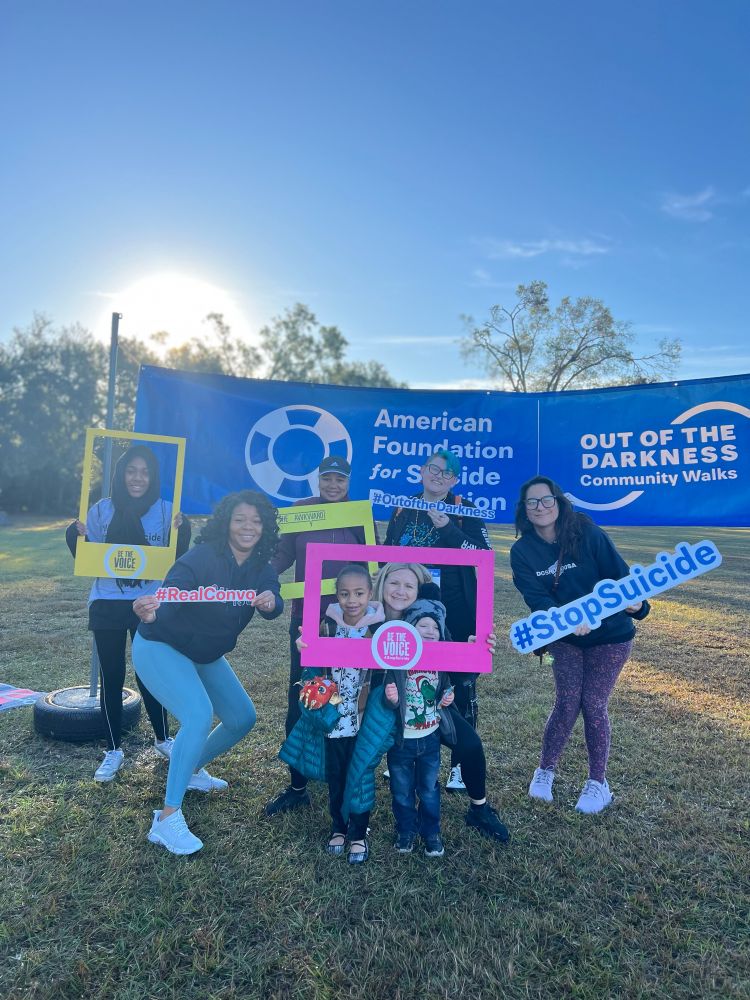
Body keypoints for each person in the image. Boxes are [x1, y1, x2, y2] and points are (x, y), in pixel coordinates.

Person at [131, 490, 283, 855]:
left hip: (204, 653)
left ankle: (189, 769)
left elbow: (273, 599)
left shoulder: (261, 566)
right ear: (226, 523)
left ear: (265, 527)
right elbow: (172, 593)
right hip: (161, 645)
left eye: (256, 521)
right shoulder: (202, 556)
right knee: (198, 714)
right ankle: (166, 820)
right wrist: (151, 612)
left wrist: (270, 602)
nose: (248, 527)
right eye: (240, 519)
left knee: (242, 717)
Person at [510, 476, 650, 814]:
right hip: (565, 637)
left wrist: (637, 605)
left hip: (612, 634)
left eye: (546, 500)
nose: (540, 507)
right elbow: (537, 598)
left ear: (558, 502)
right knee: (567, 701)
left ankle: (598, 783)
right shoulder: (522, 551)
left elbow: (623, 577)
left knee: (593, 703)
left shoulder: (587, 532)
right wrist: (565, 620)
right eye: (533, 503)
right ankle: (544, 771)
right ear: (524, 510)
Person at [65, 444, 191, 782]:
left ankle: (164, 740)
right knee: (112, 673)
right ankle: (113, 749)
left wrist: (184, 530)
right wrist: (73, 535)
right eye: (131, 470)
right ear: (121, 474)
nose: (137, 478)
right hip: (107, 600)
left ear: (153, 477)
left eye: (144, 472)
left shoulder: (167, 511)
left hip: (148, 603)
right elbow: (85, 556)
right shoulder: (101, 510)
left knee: (151, 672)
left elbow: (178, 559)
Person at [265, 455, 372, 817]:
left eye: (339, 480)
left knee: (352, 697)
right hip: (308, 618)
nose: (333, 485)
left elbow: (374, 561)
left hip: (352, 623)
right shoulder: (300, 510)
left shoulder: (359, 513)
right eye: (327, 478)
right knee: (305, 695)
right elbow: (282, 553)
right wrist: (262, 575)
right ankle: (297, 786)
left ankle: (349, 777)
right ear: (317, 480)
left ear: (348, 482)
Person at [372, 562, 509, 842]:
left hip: (425, 705)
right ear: (382, 583)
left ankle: (479, 809)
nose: (400, 591)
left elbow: (458, 671)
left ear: (418, 590)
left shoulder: (429, 618)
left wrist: (475, 650)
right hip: (379, 705)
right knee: (358, 753)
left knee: (470, 743)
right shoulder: (368, 617)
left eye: (409, 585)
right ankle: (351, 817)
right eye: (394, 583)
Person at [384, 449, 490, 793]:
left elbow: (483, 557)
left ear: (454, 480)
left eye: (447, 473)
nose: (438, 476)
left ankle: (459, 764)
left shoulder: (465, 510)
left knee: (459, 685)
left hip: (457, 613)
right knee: (406, 678)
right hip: (409, 610)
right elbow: (386, 554)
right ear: (422, 471)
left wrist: (448, 529)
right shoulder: (403, 507)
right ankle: (403, 750)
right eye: (433, 469)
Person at [285, 564, 385, 864]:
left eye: (359, 593)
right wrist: (307, 659)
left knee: (362, 776)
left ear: (370, 593)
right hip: (333, 723)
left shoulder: (380, 630)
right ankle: (338, 828)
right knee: (337, 776)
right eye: (344, 594)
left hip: (363, 721)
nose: (352, 600)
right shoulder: (325, 626)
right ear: (336, 595)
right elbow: (311, 668)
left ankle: (358, 833)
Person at [384, 597, 456, 857]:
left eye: (435, 627)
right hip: (401, 741)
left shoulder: (441, 659)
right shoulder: (397, 660)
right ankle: (406, 830)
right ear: (409, 628)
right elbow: (387, 697)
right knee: (401, 791)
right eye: (423, 625)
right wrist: (391, 699)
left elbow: (444, 688)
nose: (429, 631)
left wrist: (447, 696)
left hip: (430, 740)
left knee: (428, 790)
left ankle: (431, 832)